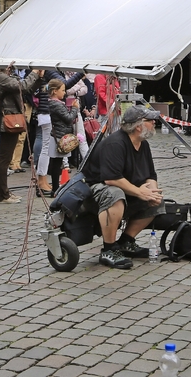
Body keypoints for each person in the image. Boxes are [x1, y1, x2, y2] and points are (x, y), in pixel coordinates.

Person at [81, 105, 163, 269]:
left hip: (123, 184)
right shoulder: (116, 144)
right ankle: (108, 249)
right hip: (96, 188)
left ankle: (126, 241)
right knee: (115, 194)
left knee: (157, 201)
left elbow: (150, 175)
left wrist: (152, 191)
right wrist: (140, 192)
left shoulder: (143, 144)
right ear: (138, 126)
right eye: (150, 120)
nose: (154, 122)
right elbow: (111, 179)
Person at [0, 67, 43, 203]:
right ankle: (2, 195)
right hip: (8, 118)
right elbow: (22, 86)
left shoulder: (8, 76)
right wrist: (34, 73)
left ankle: (4, 192)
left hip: (13, 116)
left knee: (6, 158)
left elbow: (26, 91)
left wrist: (39, 78)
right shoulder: (0, 77)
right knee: (4, 159)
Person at [43, 79, 78, 194]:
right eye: (62, 90)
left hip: (57, 134)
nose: (64, 93)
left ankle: (55, 187)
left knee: (57, 162)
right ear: (54, 91)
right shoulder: (56, 104)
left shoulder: (55, 104)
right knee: (57, 162)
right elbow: (68, 118)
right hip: (59, 135)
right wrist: (75, 108)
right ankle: (55, 188)